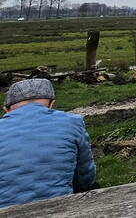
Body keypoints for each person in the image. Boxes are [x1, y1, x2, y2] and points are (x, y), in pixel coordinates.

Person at [0, 78, 97, 209]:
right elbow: (86, 177)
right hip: (58, 208)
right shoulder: (72, 122)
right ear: (51, 104)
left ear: (6, 109)